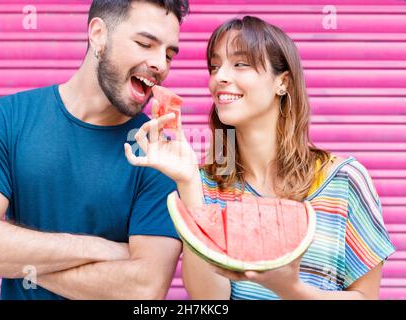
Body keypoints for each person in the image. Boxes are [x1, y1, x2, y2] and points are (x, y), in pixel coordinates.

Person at [125, 16, 396, 299]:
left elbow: (366, 296)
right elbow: (210, 300)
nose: (219, 77)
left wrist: (291, 289)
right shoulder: (205, 185)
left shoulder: (344, 180)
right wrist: (190, 183)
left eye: (240, 63)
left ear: (283, 82)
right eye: (215, 66)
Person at [0, 0, 189, 300]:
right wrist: (97, 248)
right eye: (145, 44)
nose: (160, 64)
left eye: (169, 54)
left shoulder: (157, 152)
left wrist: (15, 256)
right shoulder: (9, 117)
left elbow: (144, 289)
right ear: (98, 34)